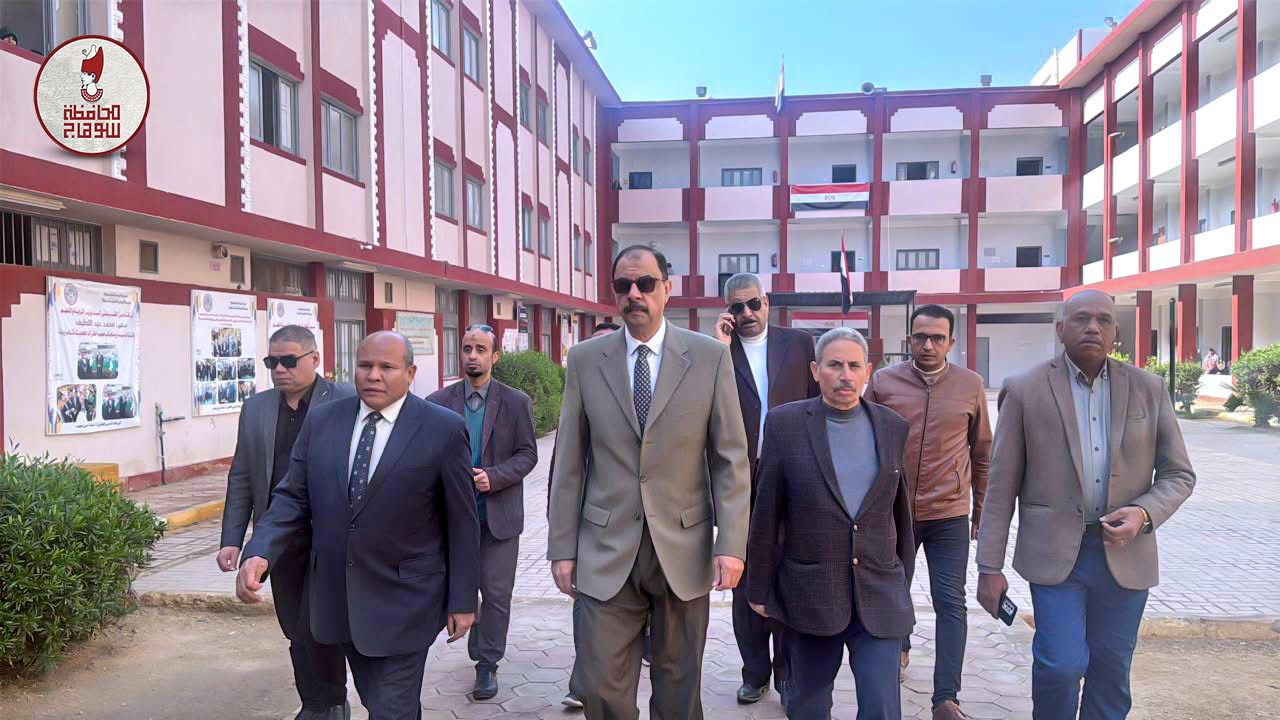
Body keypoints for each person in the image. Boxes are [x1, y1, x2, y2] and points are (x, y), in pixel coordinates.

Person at [548, 245, 751, 719]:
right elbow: (570, 460)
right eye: (623, 285)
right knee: (599, 685)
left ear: (667, 288)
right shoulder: (586, 359)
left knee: (678, 687)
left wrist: (732, 544)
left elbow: (730, 458)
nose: (634, 294)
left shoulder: (708, 357)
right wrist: (562, 547)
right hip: (605, 547)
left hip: (683, 546)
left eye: (645, 283)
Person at [237, 331, 481, 720]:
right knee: (374, 701)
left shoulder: (443, 429)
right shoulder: (323, 421)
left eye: (387, 367)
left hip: (405, 601)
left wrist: (463, 599)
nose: (373, 375)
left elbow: (462, 522)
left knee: (391, 709)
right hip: (335, 596)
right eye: (365, 365)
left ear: (410, 373)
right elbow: (292, 497)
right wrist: (260, 550)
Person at [976, 290, 1196, 720]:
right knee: (1060, 664)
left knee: (1111, 668)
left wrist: (1144, 513)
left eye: (1103, 320)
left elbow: (1179, 474)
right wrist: (989, 567)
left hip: (1125, 554)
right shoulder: (1024, 390)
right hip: (1055, 556)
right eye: (1080, 319)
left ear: (1115, 332)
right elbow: (1000, 488)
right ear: (1060, 329)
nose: (1092, 327)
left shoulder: (1149, 389)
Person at [746, 327, 914, 720]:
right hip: (810, 595)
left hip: (879, 593)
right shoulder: (785, 425)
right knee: (808, 705)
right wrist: (758, 586)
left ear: (868, 370)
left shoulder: (893, 426)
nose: (845, 375)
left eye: (855, 366)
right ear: (815, 370)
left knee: (882, 706)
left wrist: (902, 581)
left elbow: (899, 514)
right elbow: (766, 512)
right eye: (835, 365)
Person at [217, 326, 353, 720]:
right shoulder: (256, 408)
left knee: (320, 623)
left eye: (289, 361)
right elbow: (242, 475)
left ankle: (333, 701)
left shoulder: (346, 401)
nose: (279, 369)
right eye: (272, 361)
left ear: (315, 359)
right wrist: (232, 538)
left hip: (331, 537)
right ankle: (313, 702)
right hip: (278, 536)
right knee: (293, 625)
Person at [863, 305, 991, 720]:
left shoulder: (971, 385)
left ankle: (946, 698)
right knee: (893, 593)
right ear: (909, 340)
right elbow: (862, 440)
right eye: (920, 337)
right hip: (894, 511)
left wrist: (981, 510)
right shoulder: (883, 382)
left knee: (950, 601)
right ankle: (898, 648)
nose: (928, 345)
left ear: (951, 342)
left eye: (937, 338)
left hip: (948, 512)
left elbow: (982, 452)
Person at [713, 272, 818, 706]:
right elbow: (705, 404)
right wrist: (719, 347)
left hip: (793, 475)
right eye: (737, 307)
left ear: (767, 301)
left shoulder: (800, 344)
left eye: (753, 303)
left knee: (790, 574)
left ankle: (788, 675)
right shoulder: (718, 352)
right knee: (744, 578)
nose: (747, 313)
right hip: (742, 480)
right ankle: (754, 673)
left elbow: (818, 404)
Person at [427, 323, 537, 702]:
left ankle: (487, 663)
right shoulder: (437, 402)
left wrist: (495, 476)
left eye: (480, 349)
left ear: (495, 356)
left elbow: (528, 454)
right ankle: (477, 634)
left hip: (498, 518)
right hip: (453, 519)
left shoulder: (516, 402)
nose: (472, 355)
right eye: (467, 348)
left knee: (497, 594)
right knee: (462, 588)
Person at [548, 320, 621, 712]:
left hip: (650, 534)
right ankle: (582, 681)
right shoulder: (584, 390)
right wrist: (562, 540)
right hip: (595, 531)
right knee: (589, 612)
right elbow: (564, 468)